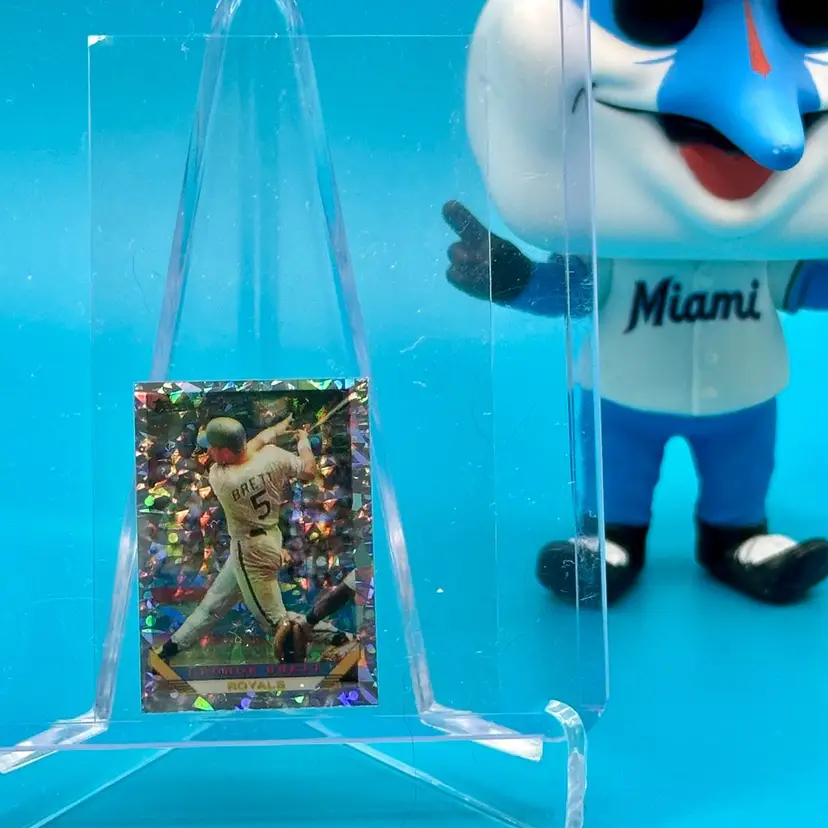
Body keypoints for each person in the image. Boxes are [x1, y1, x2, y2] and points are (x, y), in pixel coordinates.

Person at [156, 414, 316, 662]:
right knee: (211, 607)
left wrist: (274, 431)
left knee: (276, 623)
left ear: (227, 452)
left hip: (250, 551)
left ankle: (338, 638)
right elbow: (308, 471)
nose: (209, 452)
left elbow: (252, 445)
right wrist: (302, 440)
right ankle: (168, 651)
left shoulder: (221, 477)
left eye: (213, 447)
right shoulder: (272, 456)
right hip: (268, 539)